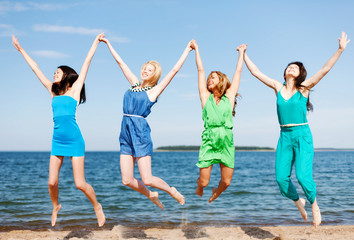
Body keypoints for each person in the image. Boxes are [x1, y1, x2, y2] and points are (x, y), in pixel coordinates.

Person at [242, 32, 350, 228]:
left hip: (302, 135)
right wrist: (243, 54)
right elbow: (256, 72)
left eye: (296, 67)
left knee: (302, 176)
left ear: (300, 74)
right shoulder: (277, 87)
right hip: (284, 136)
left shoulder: (304, 89)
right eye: (289, 66)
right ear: (284, 73)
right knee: (281, 179)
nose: (291, 68)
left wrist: (340, 50)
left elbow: (325, 69)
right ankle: (298, 202)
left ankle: (314, 205)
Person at [12, 34, 106, 227]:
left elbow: (87, 62)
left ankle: (97, 206)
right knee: (51, 182)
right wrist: (21, 49)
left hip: (75, 140)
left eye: (57, 72)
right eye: (54, 72)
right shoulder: (52, 90)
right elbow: (35, 68)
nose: (54, 74)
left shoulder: (75, 90)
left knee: (80, 184)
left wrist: (95, 42)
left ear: (66, 75)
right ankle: (55, 206)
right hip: (57, 140)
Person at [100, 36, 193, 210]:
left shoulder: (154, 91)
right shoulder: (134, 85)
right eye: (144, 68)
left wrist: (187, 50)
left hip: (140, 132)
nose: (145, 71)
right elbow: (121, 64)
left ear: (154, 74)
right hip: (125, 131)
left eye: (149, 70)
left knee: (148, 178)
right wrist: (108, 44)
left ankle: (171, 190)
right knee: (126, 179)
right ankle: (151, 195)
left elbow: (174, 71)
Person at [190, 40, 245, 203]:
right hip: (209, 140)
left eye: (212, 78)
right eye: (208, 79)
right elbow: (200, 70)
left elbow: (239, 71)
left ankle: (217, 192)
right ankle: (199, 186)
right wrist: (197, 50)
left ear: (221, 80)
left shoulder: (229, 96)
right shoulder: (205, 97)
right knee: (205, 182)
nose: (209, 80)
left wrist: (241, 53)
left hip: (226, 140)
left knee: (226, 182)